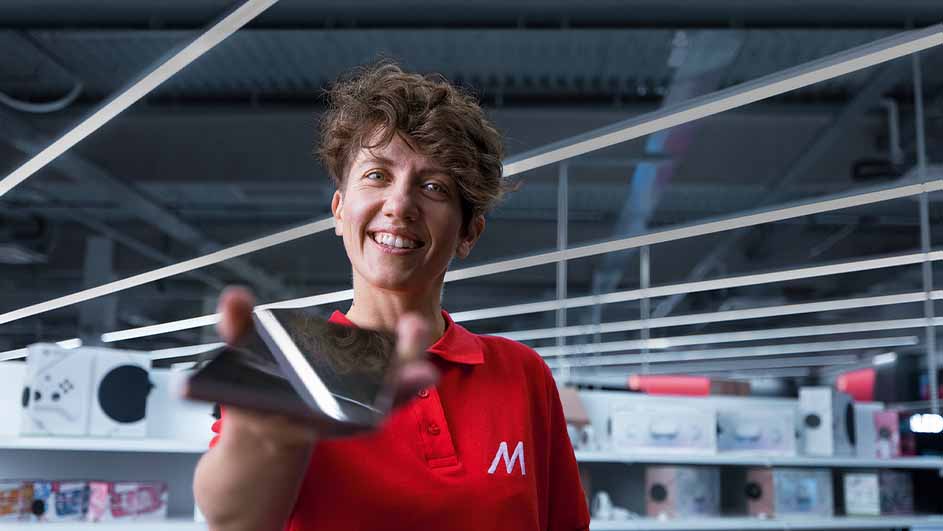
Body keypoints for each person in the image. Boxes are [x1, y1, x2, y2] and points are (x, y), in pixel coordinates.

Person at [193, 61, 590, 531]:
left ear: (468, 233)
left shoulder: (523, 374)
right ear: (339, 210)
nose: (400, 205)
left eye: (433, 186)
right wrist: (264, 443)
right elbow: (235, 518)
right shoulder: (293, 364)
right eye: (377, 175)